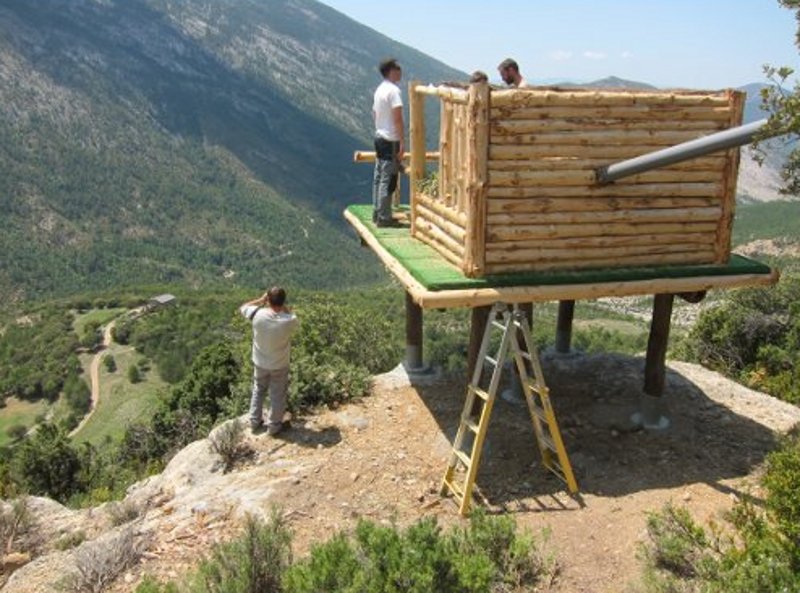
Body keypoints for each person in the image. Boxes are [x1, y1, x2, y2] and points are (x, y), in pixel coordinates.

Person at [240, 287, 299, 435]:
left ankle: (254, 422)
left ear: (268, 300)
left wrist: (260, 300)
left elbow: (243, 307)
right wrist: (283, 306)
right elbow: (292, 316)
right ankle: (274, 426)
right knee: (277, 394)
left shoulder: (256, 314)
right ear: (283, 301)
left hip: (260, 362)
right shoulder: (289, 320)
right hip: (279, 363)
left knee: (258, 390)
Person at [372, 58, 405, 227]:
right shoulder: (394, 91)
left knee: (378, 177)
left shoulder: (379, 90)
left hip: (379, 136)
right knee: (389, 179)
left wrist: (380, 128)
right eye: (398, 69)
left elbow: (374, 113)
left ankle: (377, 213)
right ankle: (385, 218)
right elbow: (398, 118)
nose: (400, 71)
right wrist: (402, 141)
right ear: (391, 71)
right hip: (390, 139)